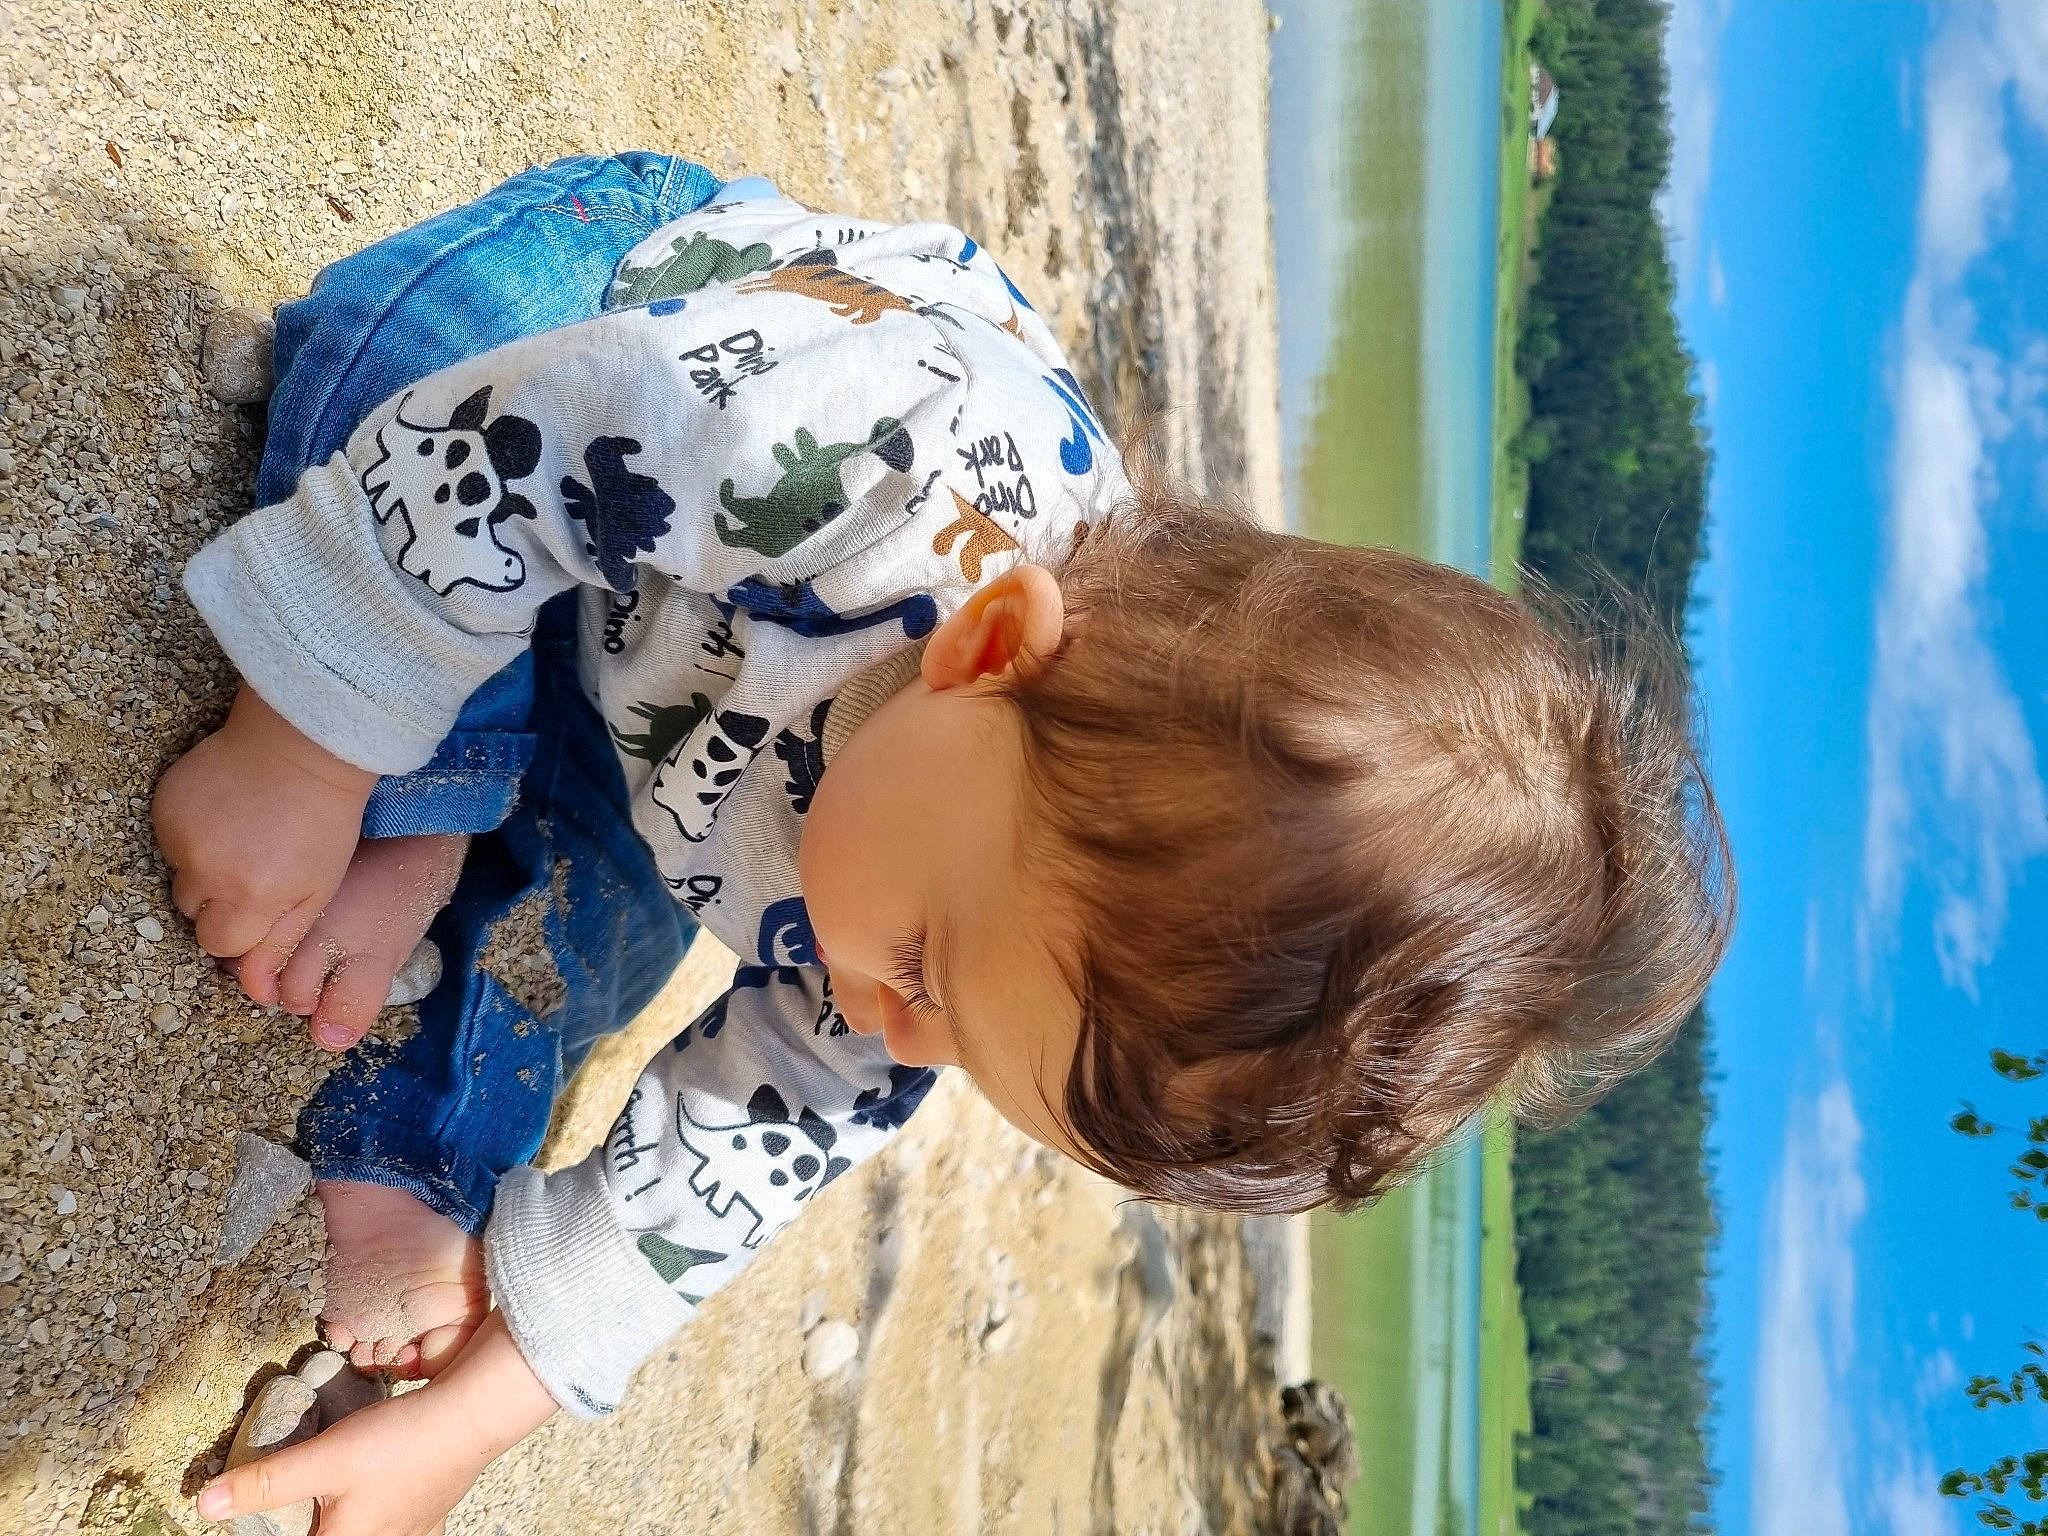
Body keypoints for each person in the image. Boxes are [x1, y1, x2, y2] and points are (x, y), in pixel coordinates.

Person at [153, 152, 1732, 1535]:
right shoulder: (869, 452)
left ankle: (413, 1146)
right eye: (926, 968)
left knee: (596, 935)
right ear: (990, 655)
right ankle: (411, 785)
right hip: (598, 373)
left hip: (663, 728)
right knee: (409, 347)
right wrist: (304, 752)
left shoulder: (966, 928)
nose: (894, 1026)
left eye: (964, 1051)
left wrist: (465, 1426)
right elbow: (520, 447)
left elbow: (726, 1169)